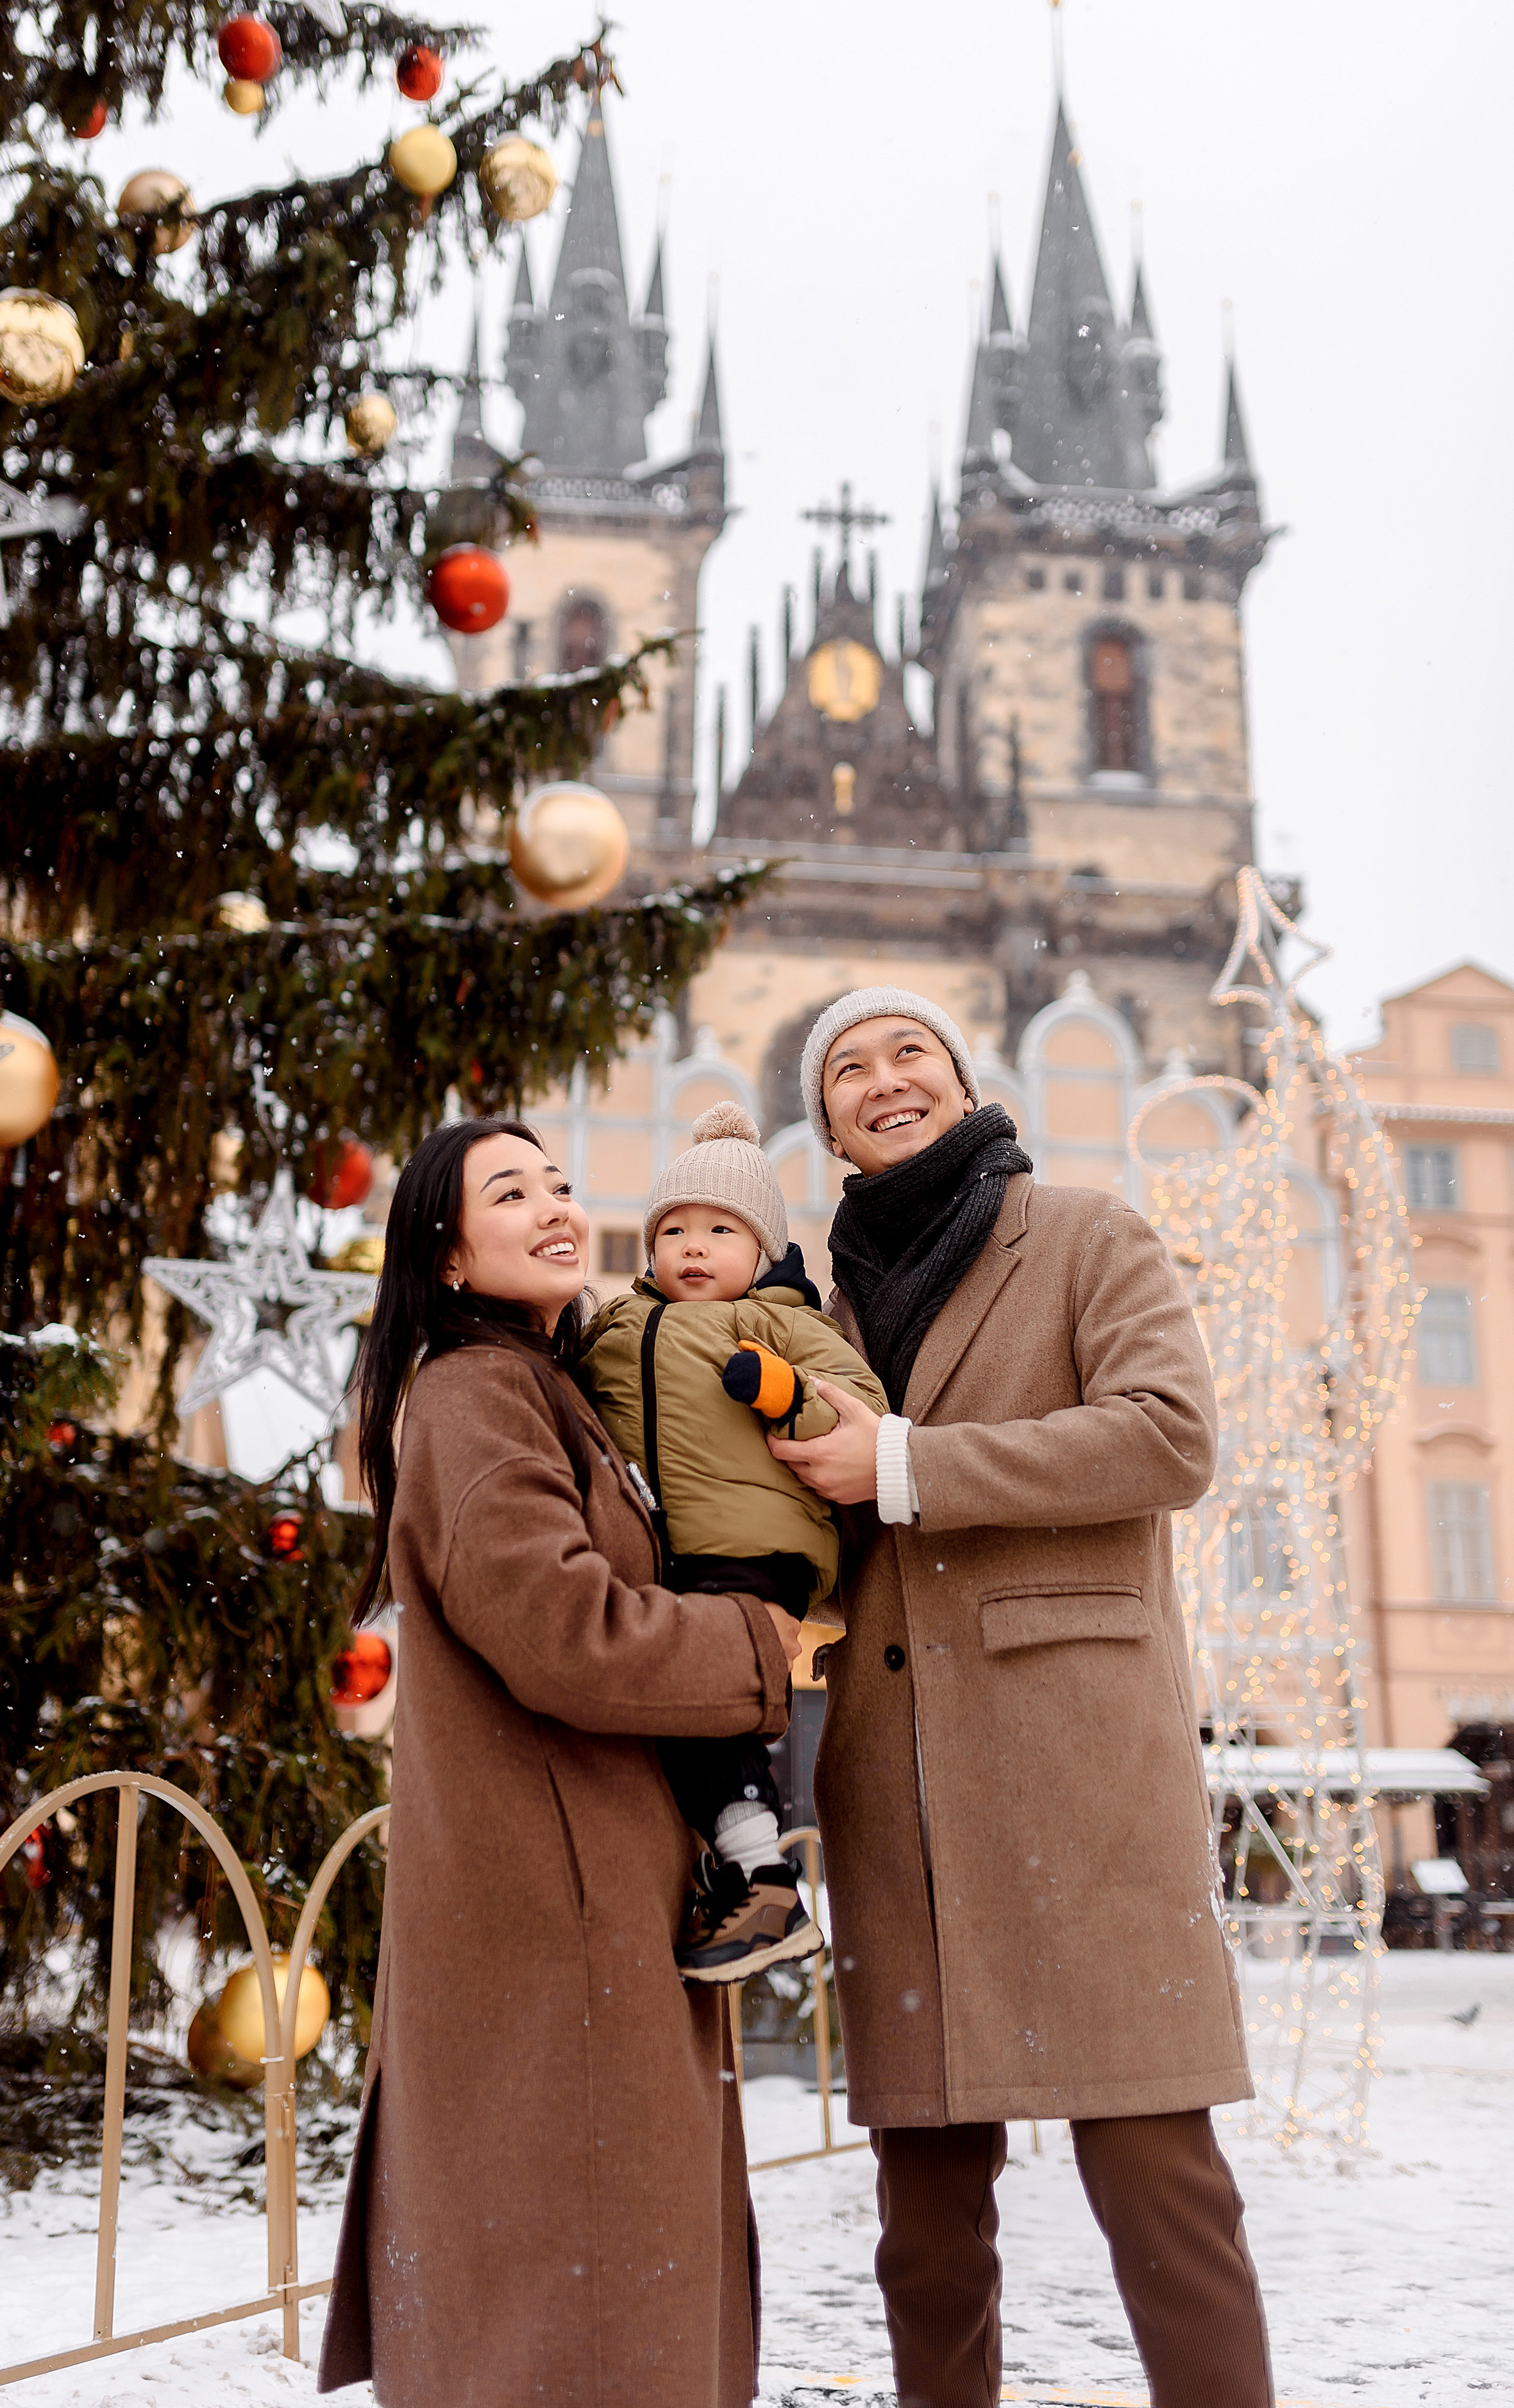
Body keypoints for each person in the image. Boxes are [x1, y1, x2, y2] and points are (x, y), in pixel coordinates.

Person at [767, 988, 1274, 2408]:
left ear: (960, 1075)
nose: (882, 1081)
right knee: (923, 2230)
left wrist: (914, 1466)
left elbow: (1167, 1438)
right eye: (845, 1072)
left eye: (906, 1053)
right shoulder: (817, 1302)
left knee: (1161, 2190)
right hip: (893, 1779)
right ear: (826, 1123)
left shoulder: (1082, 1235)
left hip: (1078, 1762)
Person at [317, 1117, 799, 2408]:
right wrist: (765, 1644)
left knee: (586, 2294)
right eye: (509, 1190)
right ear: (449, 1255)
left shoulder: (543, 1386)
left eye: (561, 1183)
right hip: (556, 1924)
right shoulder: (474, 1395)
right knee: (574, 2316)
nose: (554, 1206)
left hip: (590, 1901)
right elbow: (567, 1637)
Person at [580, 1101, 887, 1982]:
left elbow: (860, 1406)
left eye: (721, 1228)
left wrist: (785, 1388)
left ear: (763, 1251)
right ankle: (741, 1870)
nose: (694, 1245)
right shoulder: (616, 1324)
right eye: (674, 1227)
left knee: (697, 1691)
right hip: (662, 1561)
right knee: (674, 1705)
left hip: (757, 1548)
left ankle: (767, 1881)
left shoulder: (781, 1321)